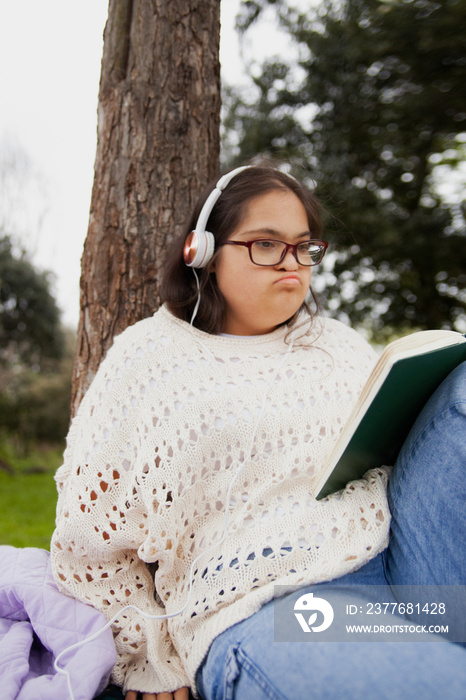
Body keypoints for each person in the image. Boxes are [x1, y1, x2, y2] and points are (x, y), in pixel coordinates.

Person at [51, 164, 466, 700]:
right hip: (282, 602)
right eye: (266, 244)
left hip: (408, 562)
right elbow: (89, 543)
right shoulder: (148, 360)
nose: (292, 263)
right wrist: (147, 658)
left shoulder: (336, 342)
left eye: (303, 246)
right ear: (202, 251)